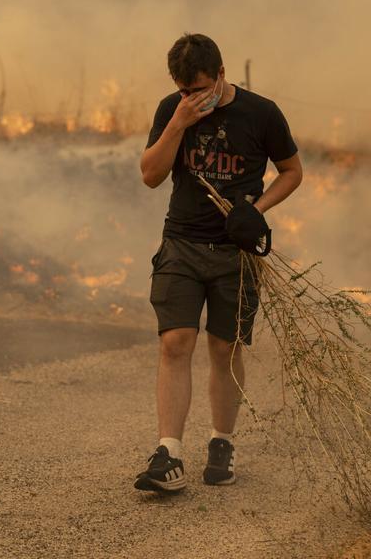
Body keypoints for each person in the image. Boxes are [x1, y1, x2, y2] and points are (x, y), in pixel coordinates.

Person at [134, 33, 302, 493]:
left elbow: (293, 171)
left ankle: (222, 443)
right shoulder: (173, 108)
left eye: (202, 90)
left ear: (223, 75)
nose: (193, 98)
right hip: (181, 244)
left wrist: (257, 210)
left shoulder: (261, 112)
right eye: (185, 90)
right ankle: (168, 453)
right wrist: (178, 122)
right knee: (175, 343)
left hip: (236, 253)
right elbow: (150, 176)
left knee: (225, 350)